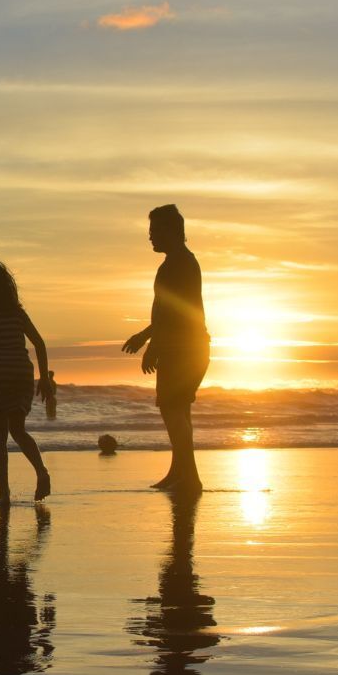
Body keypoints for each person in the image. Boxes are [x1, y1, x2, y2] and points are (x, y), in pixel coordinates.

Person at [121, 204, 209, 493]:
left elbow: (173, 313)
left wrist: (152, 344)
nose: (150, 237)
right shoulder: (177, 263)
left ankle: (190, 478)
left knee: (172, 409)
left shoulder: (179, 265)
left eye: (154, 231)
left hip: (183, 348)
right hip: (187, 347)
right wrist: (146, 336)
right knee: (179, 410)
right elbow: (164, 312)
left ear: (171, 231)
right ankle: (180, 472)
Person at [0, 260, 53, 504]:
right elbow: (40, 343)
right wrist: (44, 378)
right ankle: (41, 471)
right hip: (21, 373)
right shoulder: (17, 312)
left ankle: (4, 495)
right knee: (18, 429)